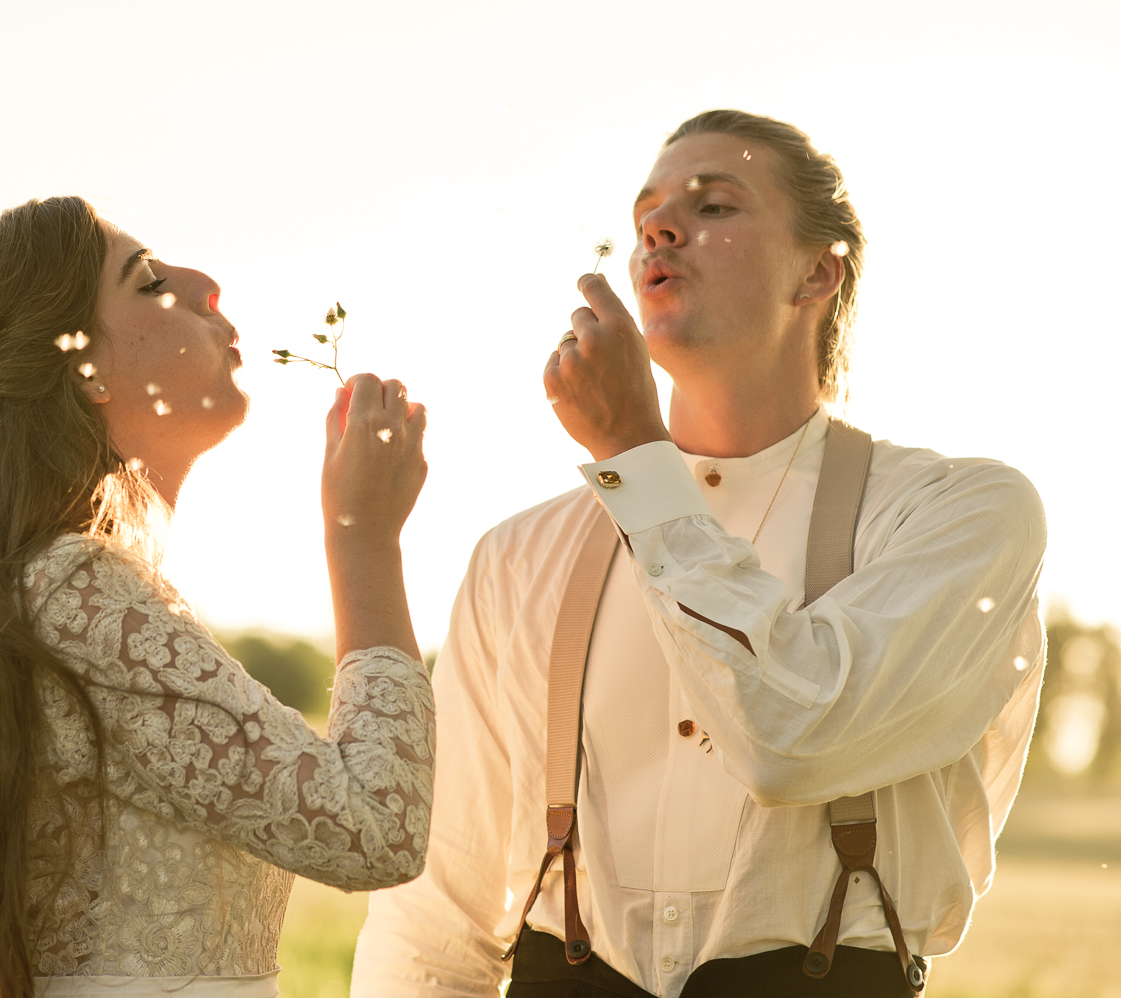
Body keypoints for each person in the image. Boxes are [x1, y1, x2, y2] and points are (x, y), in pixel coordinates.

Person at [350, 110, 1046, 998]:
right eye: (648, 213)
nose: (661, 228)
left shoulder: (958, 513)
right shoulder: (517, 556)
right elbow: (435, 917)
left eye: (714, 205)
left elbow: (792, 741)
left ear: (817, 272)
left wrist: (639, 462)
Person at [0, 196, 435, 998]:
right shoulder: (75, 593)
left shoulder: (56, 587)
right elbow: (376, 827)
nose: (207, 286)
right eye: (149, 283)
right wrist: (364, 535)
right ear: (84, 372)